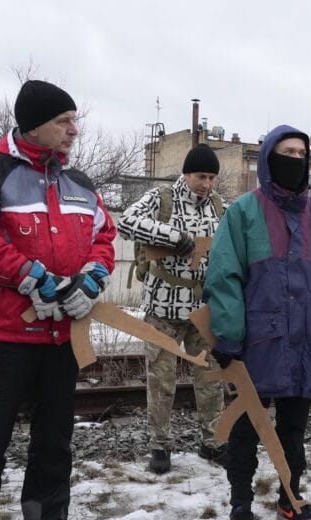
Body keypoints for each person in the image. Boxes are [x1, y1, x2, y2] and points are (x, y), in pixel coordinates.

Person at [0, 80, 116, 520]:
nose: (74, 131)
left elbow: (105, 237)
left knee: (54, 443)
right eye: (64, 121)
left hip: (61, 337)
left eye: (74, 121)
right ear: (34, 122)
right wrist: (28, 275)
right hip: (4, 337)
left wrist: (91, 278)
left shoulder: (79, 182)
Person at [204, 124, 311, 520]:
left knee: (293, 429)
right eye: (287, 151)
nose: (296, 159)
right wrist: (228, 338)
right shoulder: (243, 212)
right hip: (257, 343)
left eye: (302, 153)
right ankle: (240, 505)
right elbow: (224, 278)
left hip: (304, 340)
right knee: (247, 430)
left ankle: (291, 496)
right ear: (269, 158)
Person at [116, 143, 226, 473]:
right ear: (187, 174)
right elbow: (125, 222)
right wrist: (172, 236)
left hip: (202, 309)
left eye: (211, 178)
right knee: (161, 380)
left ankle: (212, 442)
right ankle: (159, 446)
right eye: (200, 176)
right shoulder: (161, 198)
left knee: (210, 379)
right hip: (161, 307)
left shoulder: (219, 206)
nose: (206, 184)